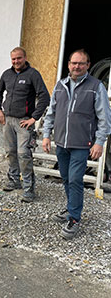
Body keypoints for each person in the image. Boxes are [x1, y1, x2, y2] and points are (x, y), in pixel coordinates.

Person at [42, 49, 111, 240]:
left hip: (82, 144)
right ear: (68, 64)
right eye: (74, 63)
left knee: (74, 179)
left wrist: (99, 143)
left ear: (88, 65)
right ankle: (71, 206)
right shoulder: (60, 85)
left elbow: (104, 117)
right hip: (62, 142)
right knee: (66, 177)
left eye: (81, 63)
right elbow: (51, 113)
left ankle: (74, 218)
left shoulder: (96, 86)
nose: (77, 66)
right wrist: (46, 135)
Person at [0, 47, 50, 202]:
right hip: (8, 120)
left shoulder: (33, 74)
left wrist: (34, 118)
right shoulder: (7, 74)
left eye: (19, 58)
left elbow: (45, 97)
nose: (16, 61)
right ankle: (13, 180)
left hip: (24, 122)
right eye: (13, 59)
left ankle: (28, 189)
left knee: (23, 154)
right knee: (10, 151)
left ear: (25, 58)